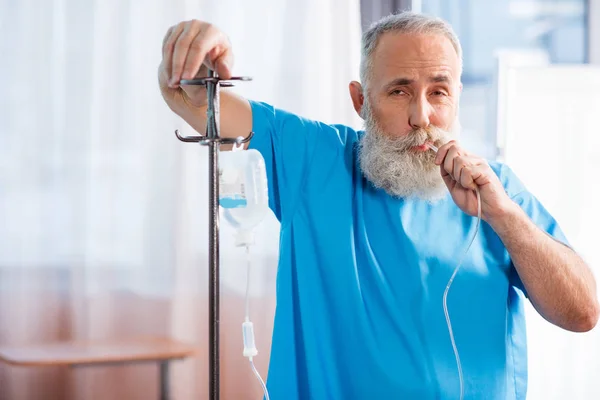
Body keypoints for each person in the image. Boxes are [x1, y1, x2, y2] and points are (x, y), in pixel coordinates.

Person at [158, 11, 599, 400]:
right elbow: (194, 101)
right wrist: (194, 59)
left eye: (439, 92)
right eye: (400, 92)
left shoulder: (498, 192)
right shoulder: (314, 160)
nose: (421, 117)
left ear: (457, 96)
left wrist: (506, 217)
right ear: (360, 100)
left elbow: (583, 313)